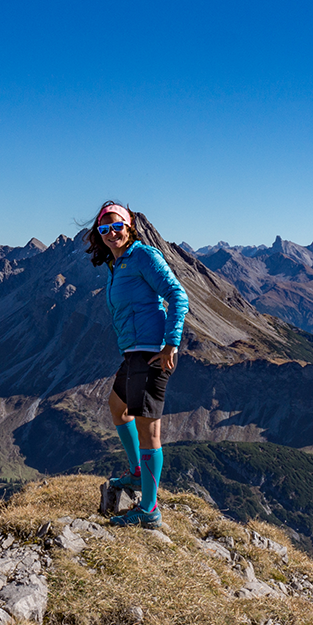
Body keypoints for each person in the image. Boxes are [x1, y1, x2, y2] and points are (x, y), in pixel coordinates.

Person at [86, 201, 189, 528]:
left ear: (130, 227)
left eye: (117, 226)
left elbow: (177, 295)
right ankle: (136, 473)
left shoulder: (143, 256)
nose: (111, 232)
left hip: (151, 352)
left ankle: (149, 510)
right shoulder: (118, 265)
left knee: (149, 432)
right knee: (118, 406)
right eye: (105, 228)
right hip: (134, 353)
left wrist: (172, 341)